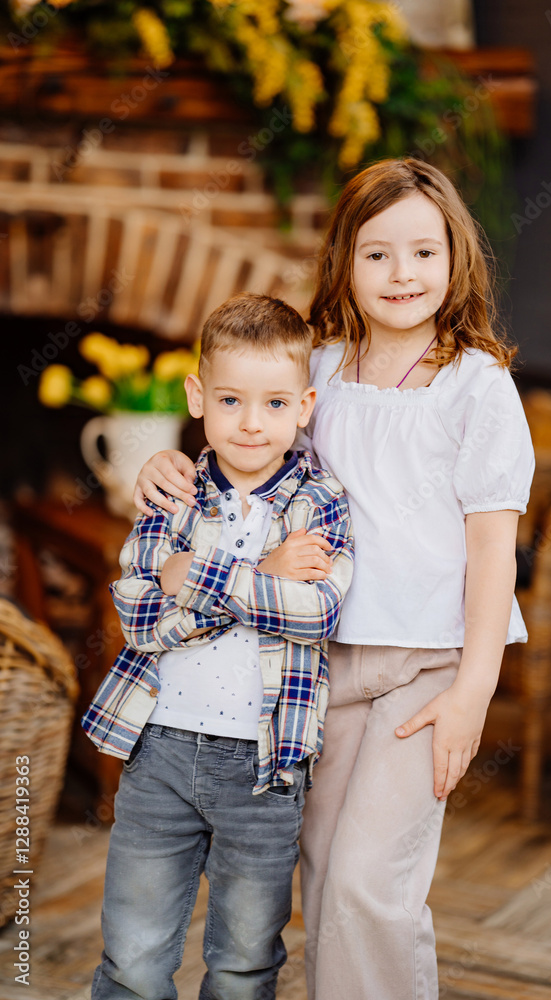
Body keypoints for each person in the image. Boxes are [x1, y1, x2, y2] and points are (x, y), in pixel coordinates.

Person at [133, 158, 535, 1000]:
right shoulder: (316, 370)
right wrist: (171, 463)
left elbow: (493, 549)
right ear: (345, 262)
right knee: (317, 871)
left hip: (425, 666)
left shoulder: (476, 386)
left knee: (366, 884)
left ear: (455, 258)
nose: (401, 273)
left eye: (423, 252)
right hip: (314, 663)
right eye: (376, 254)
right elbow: (245, 455)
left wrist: (473, 690)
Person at [82, 292, 354, 1000]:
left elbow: (315, 611)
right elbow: (140, 615)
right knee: (133, 956)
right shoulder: (173, 492)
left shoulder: (320, 502)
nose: (251, 423)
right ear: (197, 397)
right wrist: (264, 574)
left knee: (242, 964)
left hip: (265, 768)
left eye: (274, 403)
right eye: (231, 400)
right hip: (159, 752)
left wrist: (195, 576)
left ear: (304, 407)